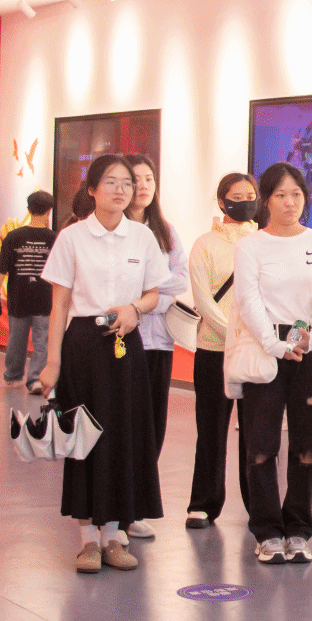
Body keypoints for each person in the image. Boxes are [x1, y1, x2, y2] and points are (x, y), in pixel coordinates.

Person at [37, 155, 167, 573]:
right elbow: (59, 306)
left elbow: (154, 294)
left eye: (127, 183)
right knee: (84, 439)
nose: (121, 189)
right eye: (110, 182)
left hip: (125, 344)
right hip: (82, 345)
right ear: (91, 189)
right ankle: (87, 541)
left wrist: (134, 309)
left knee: (123, 437)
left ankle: (113, 536)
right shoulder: (72, 237)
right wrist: (52, 362)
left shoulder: (142, 237)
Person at [233, 162, 312, 565]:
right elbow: (247, 299)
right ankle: (268, 531)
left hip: (310, 348)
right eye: (280, 195)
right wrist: (274, 344)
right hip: (265, 346)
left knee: (308, 444)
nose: (290, 202)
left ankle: (299, 529)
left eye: (296, 194)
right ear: (266, 200)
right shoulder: (251, 245)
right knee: (261, 444)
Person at [184, 172, 257, 528]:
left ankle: (258, 504)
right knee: (211, 430)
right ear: (221, 201)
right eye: (236, 197)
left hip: (256, 352)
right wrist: (235, 335)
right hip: (214, 350)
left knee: (256, 434)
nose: (245, 202)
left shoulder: (263, 241)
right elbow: (203, 301)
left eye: (250, 196)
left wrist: (256, 337)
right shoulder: (205, 245)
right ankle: (203, 503)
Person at [124, 152, 191, 539]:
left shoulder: (165, 230)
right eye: (136, 179)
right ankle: (116, 505)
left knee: (153, 424)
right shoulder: (112, 228)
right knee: (123, 422)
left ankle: (137, 505)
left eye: (149, 178)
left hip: (159, 341)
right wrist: (149, 294)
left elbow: (179, 279)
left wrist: (147, 298)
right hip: (120, 338)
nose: (143, 186)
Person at [0, 191, 56, 393]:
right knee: (42, 342)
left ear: (29, 209)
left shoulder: (13, 237)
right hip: (45, 298)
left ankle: (13, 377)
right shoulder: (54, 238)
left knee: (16, 340)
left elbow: (1, 268)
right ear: (49, 211)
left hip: (18, 297)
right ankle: (35, 379)